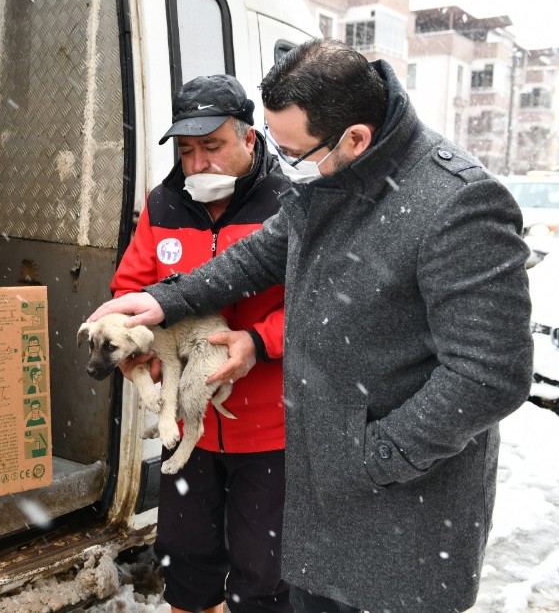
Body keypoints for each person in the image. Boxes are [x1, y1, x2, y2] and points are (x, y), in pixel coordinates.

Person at [90, 39, 533, 613]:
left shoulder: (459, 204)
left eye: (295, 152)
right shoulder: (334, 178)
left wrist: (373, 456)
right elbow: (257, 257)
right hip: (322, 486)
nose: (286, 164)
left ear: (355, 138)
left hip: (400, 508)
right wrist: (160, 301)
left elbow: (490, 375)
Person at [111, 73, 292, 613]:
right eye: (186, 151)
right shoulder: (164, 204)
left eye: (212, 146)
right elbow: (130, 290)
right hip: (190, 429)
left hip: (271, 431)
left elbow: (319, 307)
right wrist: (139, 344)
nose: (197, 164)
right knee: (187, 565)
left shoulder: (291, 206)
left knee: (265, 577)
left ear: (249, 139)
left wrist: (258, 341)